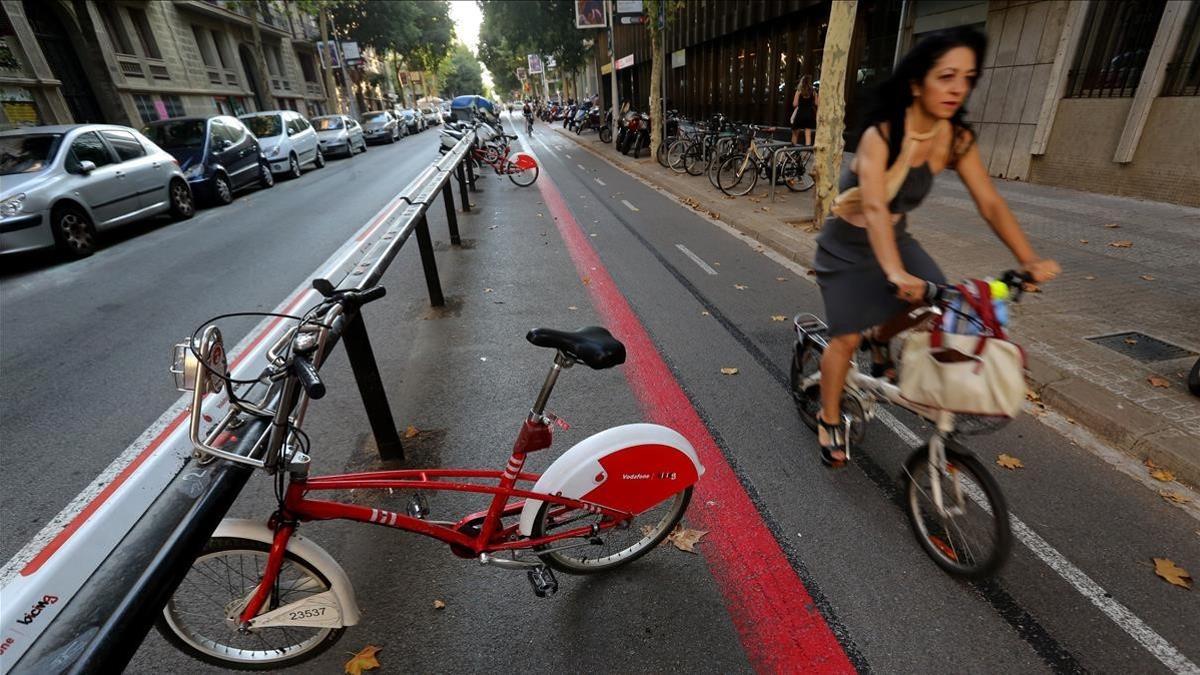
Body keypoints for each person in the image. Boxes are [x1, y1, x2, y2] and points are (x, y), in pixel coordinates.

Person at [811, 27, 1060, 467]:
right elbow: (872, 206)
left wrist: (1029, 258)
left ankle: (881, 338)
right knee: (845, 337)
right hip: (848, 243)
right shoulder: (881, 136)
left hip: (896, 237)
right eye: (947, 76)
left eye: (967, 78)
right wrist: (893, 273)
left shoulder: (956, 139)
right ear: (916, 83)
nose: (958, 88)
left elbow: (990, 202)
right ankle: (829, 415)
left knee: (942, 305)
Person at [791, 75, 817, 146]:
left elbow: (794, 104)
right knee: (808, 134)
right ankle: (807, 151)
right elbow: (816, 103)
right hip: (809, 115)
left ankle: (792, 151)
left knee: (795, 133)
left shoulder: (799, 91)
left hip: (800, 114)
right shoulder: (813, 92)